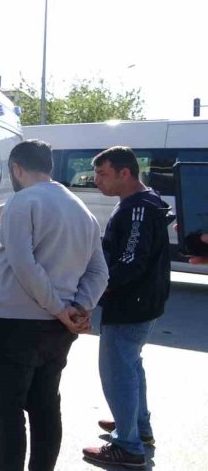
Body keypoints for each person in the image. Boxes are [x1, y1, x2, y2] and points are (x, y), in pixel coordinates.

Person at [0, 140, 109, 471]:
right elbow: (99, 272)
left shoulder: (22, 202)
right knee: (45, 409)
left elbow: (24, 266)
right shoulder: (81, 208)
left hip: (16, 326)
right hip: (58, 330)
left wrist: (60, 309)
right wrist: (76, 309)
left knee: (8, 417)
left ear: (17, 168)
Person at [81, 146, 172, 468]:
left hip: (130, 303)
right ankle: (137, 428)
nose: (97, 181)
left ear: (125, 173)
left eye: (103, 174)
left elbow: (131, 260)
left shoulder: (138, 208)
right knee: (131, 366)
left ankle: (128, 446)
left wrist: (94, 294)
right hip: (142, 301)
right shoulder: (145, 202)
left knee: (117, 372)